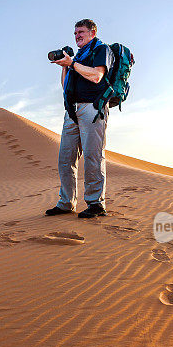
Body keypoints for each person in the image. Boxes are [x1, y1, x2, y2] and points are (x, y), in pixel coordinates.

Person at [45, 19, 113, 219]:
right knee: (65, 159)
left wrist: (72, 63)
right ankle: (66, 203)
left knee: (93, 156)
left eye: (81, 32)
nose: (77, 36)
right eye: (75, 33)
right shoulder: (79, 56)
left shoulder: (101, 49)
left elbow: (96, 76)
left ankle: (96, 203)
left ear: (92, 32)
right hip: (72, 111)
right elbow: (65, 86)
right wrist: (64, 66)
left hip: (92, 109)